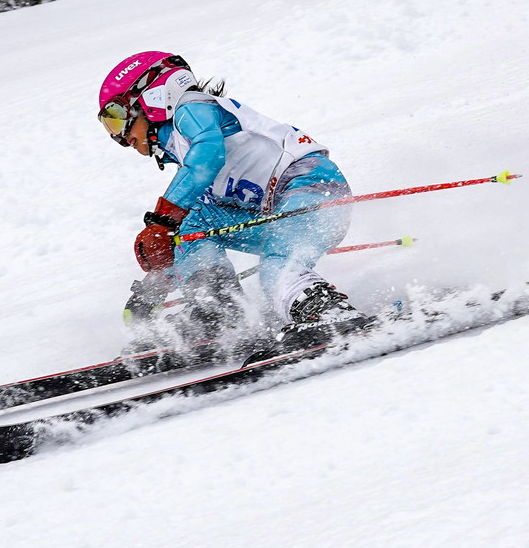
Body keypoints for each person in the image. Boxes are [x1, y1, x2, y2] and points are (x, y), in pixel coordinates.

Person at [97, 51, 372, 355]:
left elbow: (208, 155)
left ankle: (327, 311)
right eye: (110, 127)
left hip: (312, 189)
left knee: (275, 265)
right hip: (275, 214)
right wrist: (156, 287)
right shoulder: (182, 149)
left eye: (118, 118)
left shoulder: (192, 108)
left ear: (152, 96)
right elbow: (188, 226)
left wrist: (162, 220)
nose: (121, 138)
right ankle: (218, 310)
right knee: (191, 224)